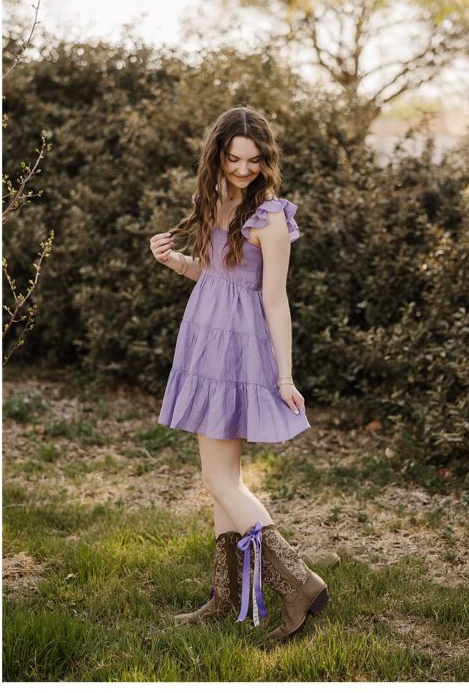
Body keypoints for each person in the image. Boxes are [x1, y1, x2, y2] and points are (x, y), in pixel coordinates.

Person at [148, 107, 329, 642]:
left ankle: (300, 585)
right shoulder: (215, 199)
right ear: (218, 156)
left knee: (217, 478)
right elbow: (211, 274)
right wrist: (173, 260)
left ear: (265, 158)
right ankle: (226, 598)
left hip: (238, 350)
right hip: (204, 338)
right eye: (233, 159)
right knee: (225, 481)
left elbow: (275, 301)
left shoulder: (270, 217)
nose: (243, 169)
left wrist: (285, 376)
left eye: (253, 160)